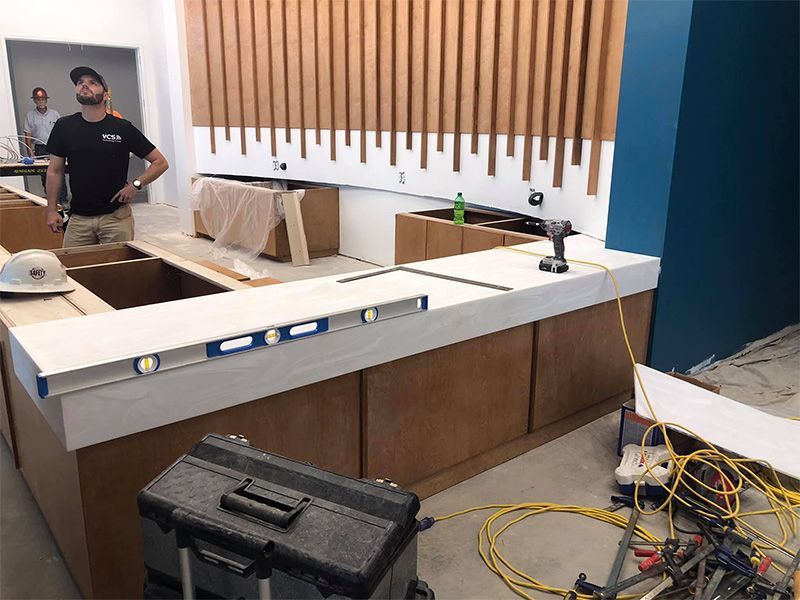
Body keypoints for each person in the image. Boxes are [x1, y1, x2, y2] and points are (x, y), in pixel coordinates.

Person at [45, 66, 169, 247]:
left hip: (116, 218)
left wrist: (135, 185)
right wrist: (51, 210)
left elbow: (160, 162)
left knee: (116, 272)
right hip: (79, 219)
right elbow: (54, 171)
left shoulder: (122, 128)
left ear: (105, 95)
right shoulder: (64, 126)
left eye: (92, 83)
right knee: (74, 272)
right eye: (80, 83)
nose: (84, 85)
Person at [23, 87, 69, 207]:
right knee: (44, 174)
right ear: (35, 101)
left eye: (43, 99)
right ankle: (51, 200)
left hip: (55, 147)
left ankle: (63, 200)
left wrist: (64, 147)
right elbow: (27, 134)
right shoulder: (30, 115)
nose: (41, 101)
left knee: (60, 172)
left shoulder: (54, 114)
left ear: (46, 100)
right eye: (38, 99)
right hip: (40, 148)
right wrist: (29, 152)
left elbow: (62, 131)